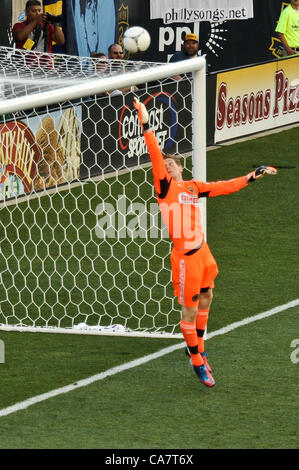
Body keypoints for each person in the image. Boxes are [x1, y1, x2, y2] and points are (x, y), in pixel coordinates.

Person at [133, 97, 277, 388]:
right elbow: (154, 153)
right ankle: (196, 360)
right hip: (185, 258)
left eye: (173, 164)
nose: (168, 166)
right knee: (188, 309)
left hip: (204, 253)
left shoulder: (193, 188)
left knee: (208, 295)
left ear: (181, 168)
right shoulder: (163, 187)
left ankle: (198, 344)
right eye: (166, 164)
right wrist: (145, 121)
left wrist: (251, 176)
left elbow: (222, 187)